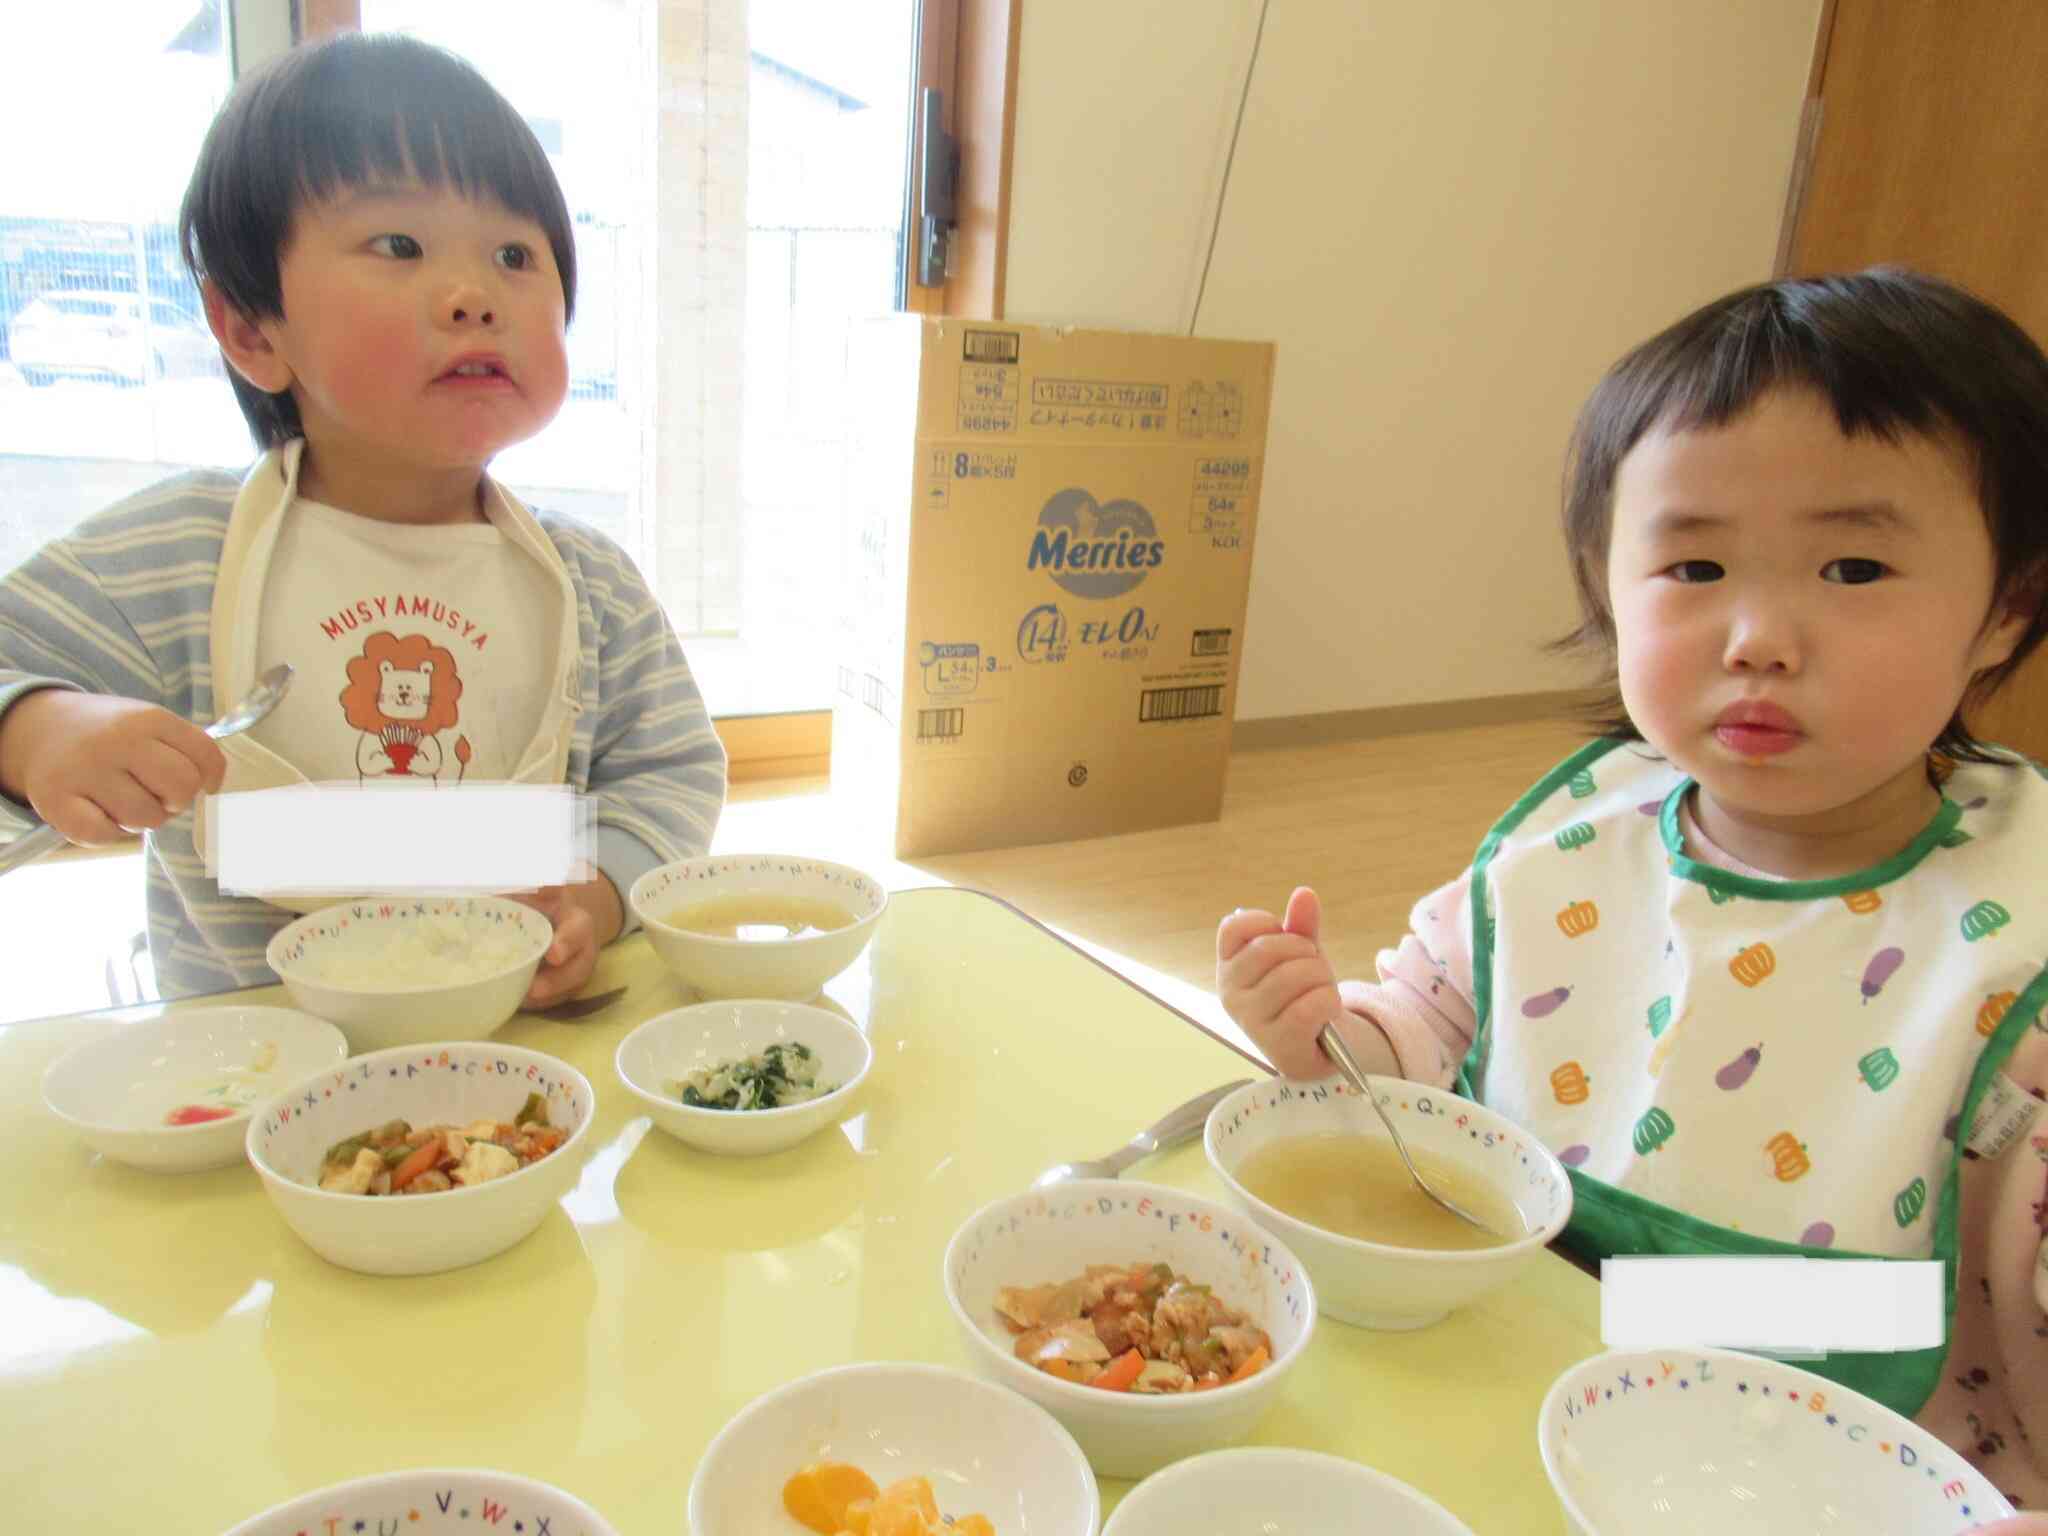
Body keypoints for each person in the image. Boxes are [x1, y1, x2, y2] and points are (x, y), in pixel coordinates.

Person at [1218, 268, 2048, 1516]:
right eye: (1693, 567)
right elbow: (1435, 1038)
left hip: (1823, 1482)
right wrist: (1326, 1033)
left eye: (1852, 568)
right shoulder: (1576, 842)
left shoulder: (2011, 944)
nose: (1756, 638)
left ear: (2003, 613)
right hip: (1508, 1397)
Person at [0, 34, 726, 1008]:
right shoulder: (170, 559)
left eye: (515, 255)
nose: (474, 297)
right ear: (250, 329)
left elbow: (668, 772)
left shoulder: (590, 585)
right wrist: (37, 731)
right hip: (255, 1072)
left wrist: (595, 892)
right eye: (399, 246)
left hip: (529, 1065)